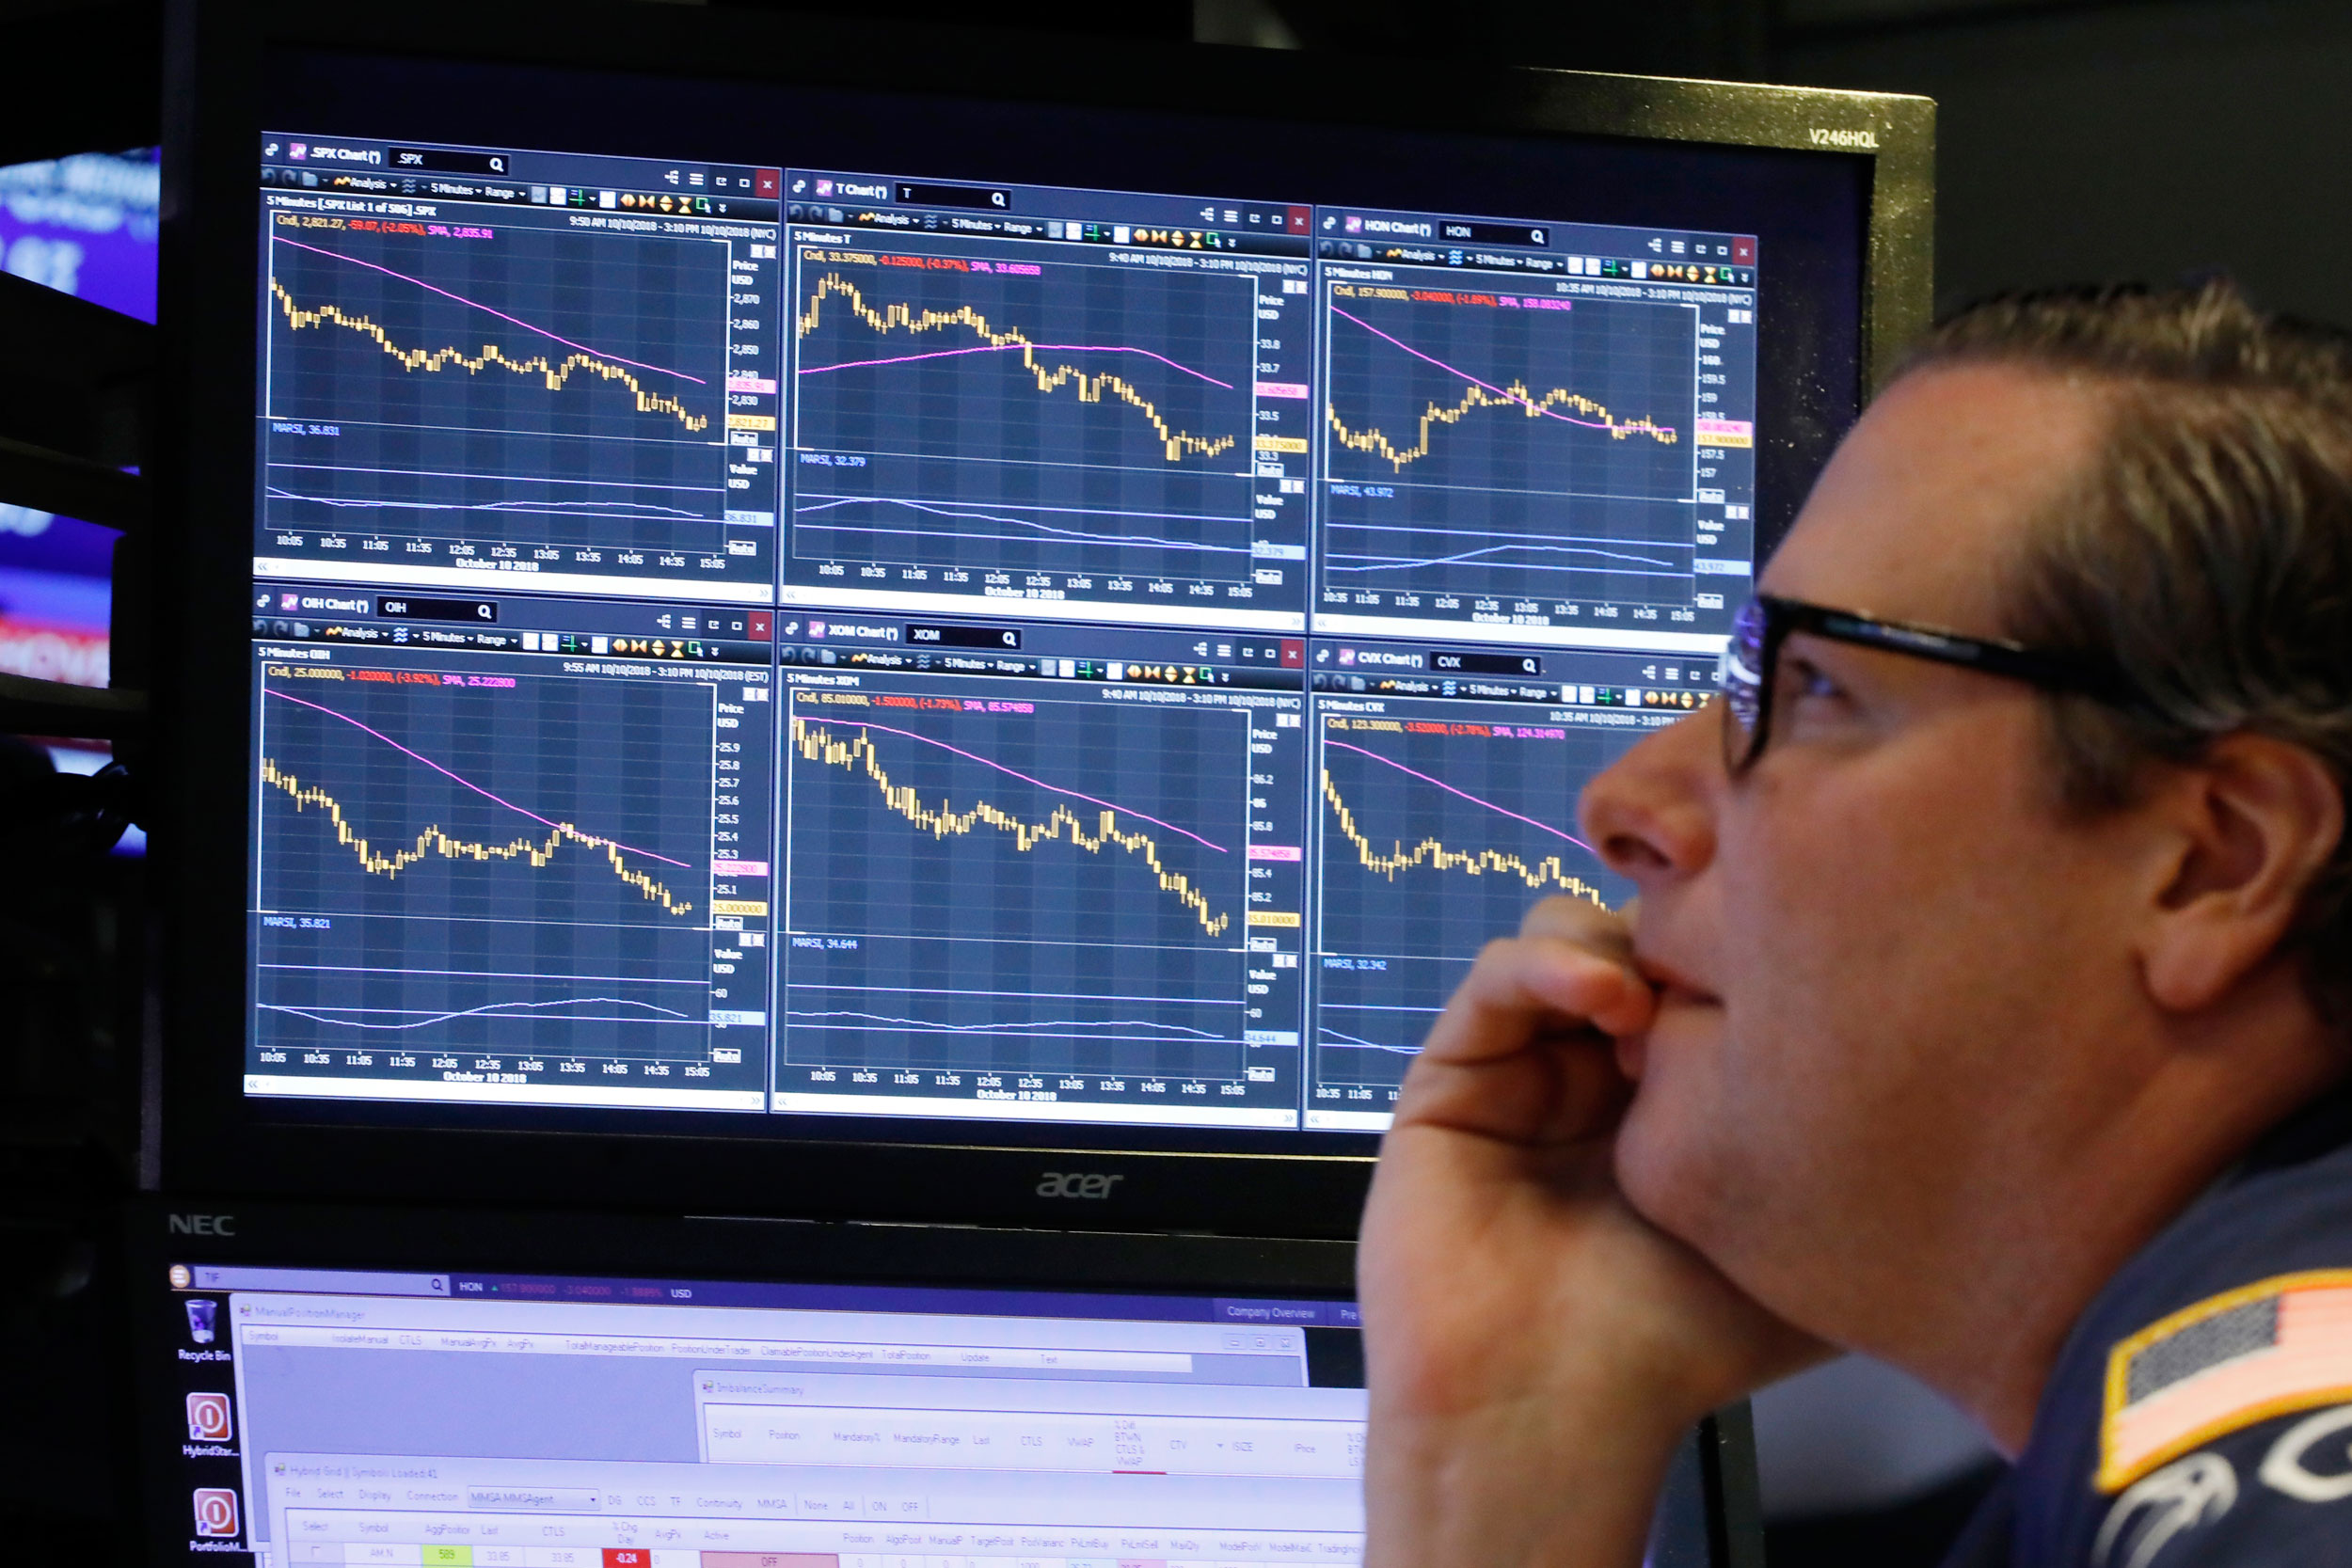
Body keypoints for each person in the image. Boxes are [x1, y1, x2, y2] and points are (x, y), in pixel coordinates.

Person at [1358, 279, 2352, 1568]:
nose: (1622, 806)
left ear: (2213, 863)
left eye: (1815, 686)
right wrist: (1506, 1447)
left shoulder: (2274, 1430)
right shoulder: (2117, 1453)